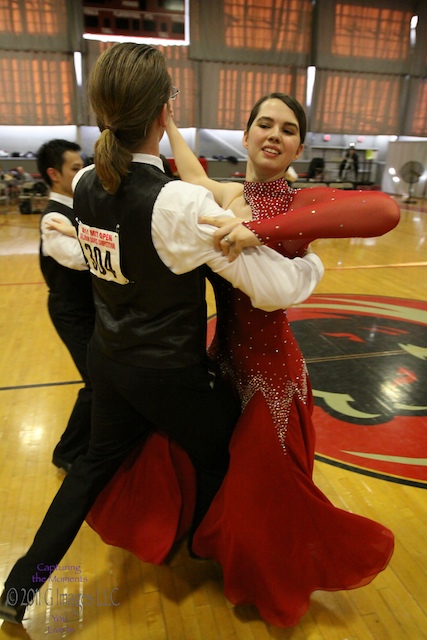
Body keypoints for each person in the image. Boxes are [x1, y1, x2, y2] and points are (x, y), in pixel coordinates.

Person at [0, 46, 324, 626]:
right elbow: (270, 288)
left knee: (92, 468)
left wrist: (58, 237)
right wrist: (312, 270)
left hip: (109, 360)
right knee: (232, 455)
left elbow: (107, 257)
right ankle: (221, 556)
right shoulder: (178, 202)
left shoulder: (85, 183)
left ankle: (21, 587)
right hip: (168, 372)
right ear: (161, 112)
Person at [84, 93, 399, 627]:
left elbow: (385, 211)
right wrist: (170, 123)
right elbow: (187, 172)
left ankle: (269, 581)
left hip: (272, 376)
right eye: (264, 124)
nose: (274, 134)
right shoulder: (228, 193)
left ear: (300, 144)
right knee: (208, 467)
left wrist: (259, 230)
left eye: (288, 129)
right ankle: (225, 554)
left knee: (263, 491)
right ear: (247, 133)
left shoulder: (303, 202)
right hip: (223, 361)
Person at [37, 139, 92, 472]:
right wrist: (83, 236)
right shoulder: (51, 220)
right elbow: (80, 259)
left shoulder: (79, 208)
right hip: (71, 313)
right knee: (98, 383)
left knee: (109, 379)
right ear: (54, 174)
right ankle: (67, 453)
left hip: (94, 309)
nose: (82, 172)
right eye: (75, 168)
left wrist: (80, 231)